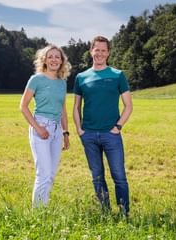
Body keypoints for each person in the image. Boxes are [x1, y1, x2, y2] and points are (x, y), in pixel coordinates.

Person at [73, 36, 133, 215]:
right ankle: (105, 212)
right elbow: (76, 106)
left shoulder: (117, 75)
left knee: (119, 176)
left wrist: (118, 127)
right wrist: (79, 130)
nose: (99, 53)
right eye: (96, 49)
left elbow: (128, 106)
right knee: (97, 176)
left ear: (108, 53)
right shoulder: (81, 77)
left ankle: (124, 213)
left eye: (103, 50)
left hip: (111, 134)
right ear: (91, 51)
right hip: (89, 135)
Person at [20, 44, 71, 207]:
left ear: (62, 61)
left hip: (56, 131)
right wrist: (38, 128)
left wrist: (66, 133)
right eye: (50, 57)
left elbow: (63, 110)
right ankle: (37, 214)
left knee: (51, 174)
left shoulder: (62, 83)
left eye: (57, 57)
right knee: (43, 173)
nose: (54, 60)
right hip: (40, 127)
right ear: (44, 60)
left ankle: (44, 208)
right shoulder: (36, 79)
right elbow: (23, 106)